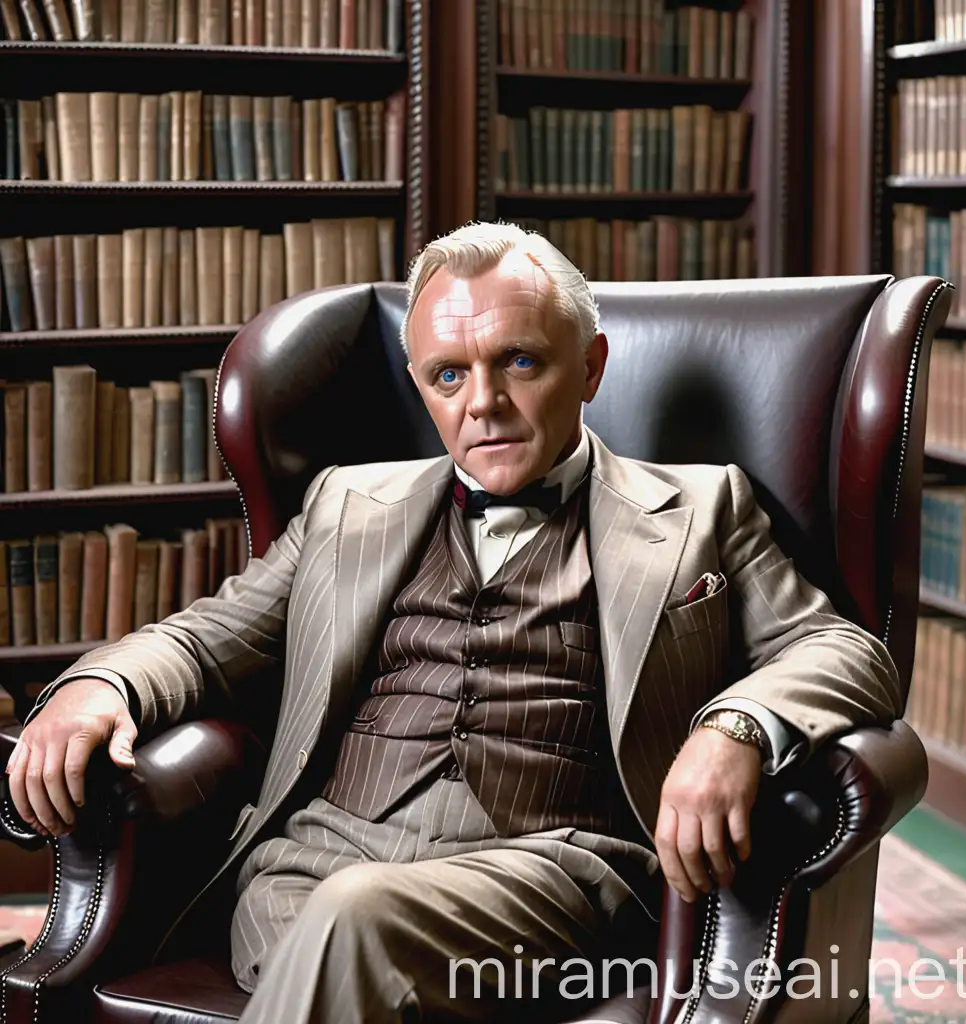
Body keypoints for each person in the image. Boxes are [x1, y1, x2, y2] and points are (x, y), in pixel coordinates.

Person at [4, 222, 902, 1023]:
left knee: (356, 922)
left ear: (588, 365)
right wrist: (97, 683)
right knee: (342, 918)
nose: (482, 404)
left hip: (546, 873)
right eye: (448, 375)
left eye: (520, 362)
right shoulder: (347, 504)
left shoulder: (703, 507)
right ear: (421, 386)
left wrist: (735, 726)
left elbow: (840, 649)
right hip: (309, 869)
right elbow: (208, 637)